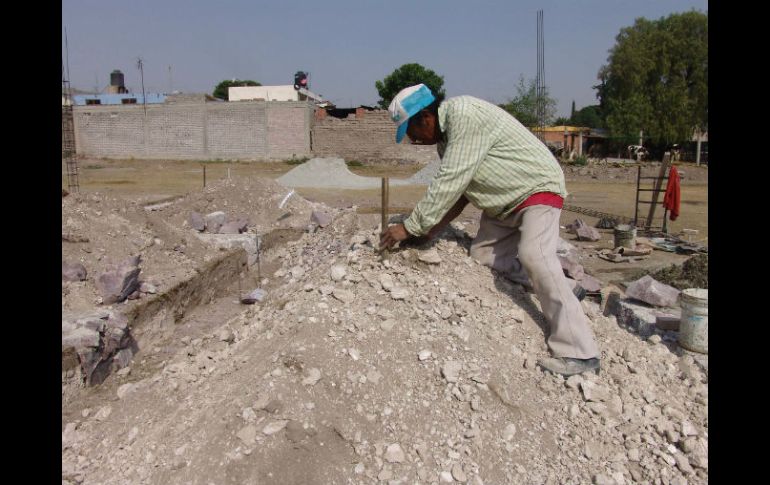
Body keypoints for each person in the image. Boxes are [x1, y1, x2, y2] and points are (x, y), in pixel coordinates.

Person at [379, 84, 601, 377]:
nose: (412, 139)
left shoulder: (463, 115)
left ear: (426, 118)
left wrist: (409, 228)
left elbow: (449, 182)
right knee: (483, 255)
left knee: (534, 255)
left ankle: (580, 353)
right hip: (504, 203)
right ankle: (566, 288)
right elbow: (460, 193)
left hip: (536, 190)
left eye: (411, 131)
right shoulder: (447, 143)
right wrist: (433, 229)